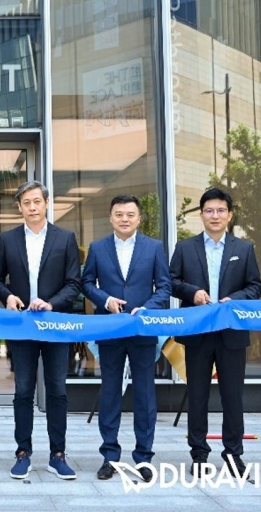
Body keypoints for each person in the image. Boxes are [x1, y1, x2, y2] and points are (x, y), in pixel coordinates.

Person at [0, 181, 81, 480]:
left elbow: (74, 283)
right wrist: (8, 297)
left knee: (57, 390)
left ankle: (58, 454)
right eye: (26, 203)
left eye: (37, 201)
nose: (32, 207)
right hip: (22, 327)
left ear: (46, 203)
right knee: (23, 390)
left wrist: (52, 304)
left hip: (55, 326)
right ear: (19, 207)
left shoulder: (65, 238)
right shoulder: (9, 239)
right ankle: (23, 452)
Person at [169, 188, 261, 477]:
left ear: (230, 215)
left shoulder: (243, 249)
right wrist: (192, 293)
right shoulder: (185, 248)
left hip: (231, 333)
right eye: (209, 210)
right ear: (201, 215)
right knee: (197, 396)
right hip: (198, 332)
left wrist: (235, 299)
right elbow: (171, 282)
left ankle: (234, 454)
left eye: (221, 210)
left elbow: (255, 287)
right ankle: (199, 454)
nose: (215, 215)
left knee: (232, 397)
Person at [81, 194, 171, 482]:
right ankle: (110, 456)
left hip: (142, 331)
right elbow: (86, 283)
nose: (124, 219)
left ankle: (144, 458)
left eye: (130, 214)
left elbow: (164, 287)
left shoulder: (154, 247)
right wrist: (105, 300)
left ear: (139, 218)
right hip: (110, 329)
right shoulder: (98, 248)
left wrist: (148, 308)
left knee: (145, 394)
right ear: (111, 218)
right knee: (110, 392)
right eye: (119, 214)